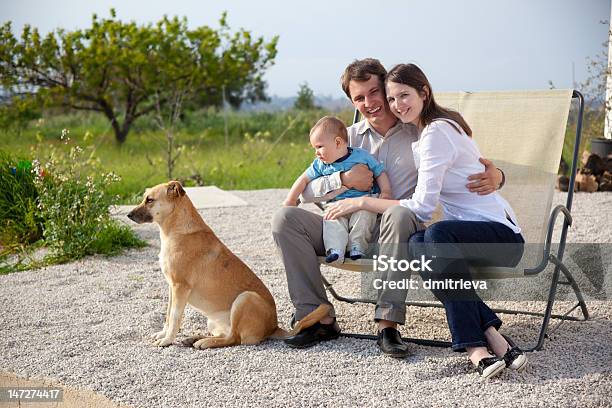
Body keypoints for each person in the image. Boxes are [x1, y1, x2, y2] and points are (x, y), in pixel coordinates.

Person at [272, 58, 504, 357]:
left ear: (385, 89)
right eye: (359, 98)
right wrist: (342, 179)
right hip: (347, 231)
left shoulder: (420, 130)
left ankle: (387, 323)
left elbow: (467, 166)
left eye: (373, 92)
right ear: (351, 101)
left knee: (397, 212)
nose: (368, 103)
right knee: (285, 219)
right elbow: (305, 190)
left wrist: (498, 176)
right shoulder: (345, 137)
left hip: (399, 231)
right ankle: (319, 318)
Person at [324, 62, 527, 379]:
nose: (396, 105)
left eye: (403, 96)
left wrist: (362, 200)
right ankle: (492, 335)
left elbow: (420, 208)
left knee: (433, 237)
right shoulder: (427, 132)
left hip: (500, 237)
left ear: (424, 92)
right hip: (464, 236)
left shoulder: (436, 133)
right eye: (392, 99)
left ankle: (473, 346)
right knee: (420, 244)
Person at [283, 116, 392, 264]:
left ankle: (357, 247)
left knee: (364, 217)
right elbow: (303, 180)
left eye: (319, 146)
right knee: (332, 221)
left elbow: (380, 172)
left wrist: (386, 192)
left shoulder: (361, 156)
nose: (316, 152)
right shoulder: (321, 165)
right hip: (336, 205)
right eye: (315, 148)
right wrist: (290, 199)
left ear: (338, 142)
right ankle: (335, 250)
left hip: (362, 202)